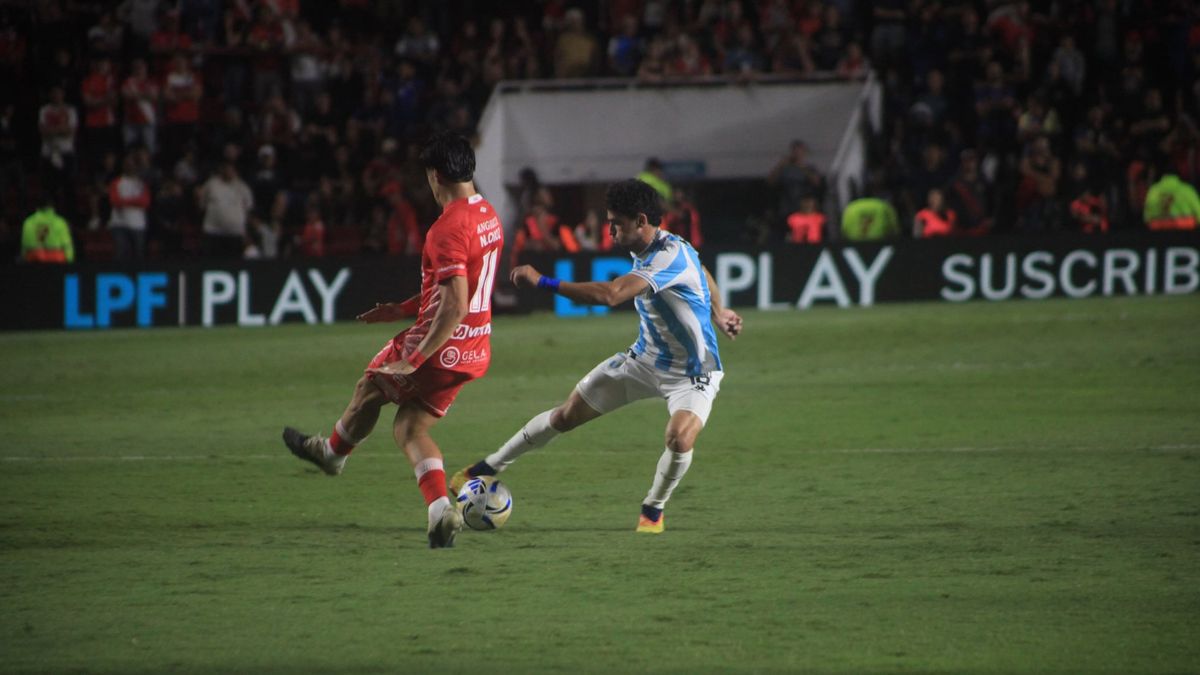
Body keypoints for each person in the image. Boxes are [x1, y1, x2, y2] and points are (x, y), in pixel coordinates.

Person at [450, 179, 743, 535]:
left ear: (640, 220)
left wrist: (543, 282)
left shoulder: (668, 254)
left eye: (616, 222)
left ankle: (653, 509)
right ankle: (486, 467)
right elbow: (703, 269)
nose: (610, 229)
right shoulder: (669, 247)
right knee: (565, 415)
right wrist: (719, 309)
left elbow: (611, 294)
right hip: (644, 360)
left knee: (679, 438)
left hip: (694, 372)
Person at [282, 132, 504, 549]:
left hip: (439, 348)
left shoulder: (447, 228)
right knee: (409, 427)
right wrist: (404, 307)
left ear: (435, 175)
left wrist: (414, 358)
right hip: (474, 350)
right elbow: (464, 287)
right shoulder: (487, 214)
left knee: (370, 385)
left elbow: (454, 303)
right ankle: (441, 511)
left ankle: (331, 455)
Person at [108, 154, 152, 260]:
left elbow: (146, 202)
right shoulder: (117, 182)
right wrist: (135, 202)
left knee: (139, 254)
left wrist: (125, 201)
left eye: (132, 164)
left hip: (138, 224)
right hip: (119, 223)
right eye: (127, 164)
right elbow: (115, 201)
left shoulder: (141, 183)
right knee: (121, 252)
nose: (130, 166)